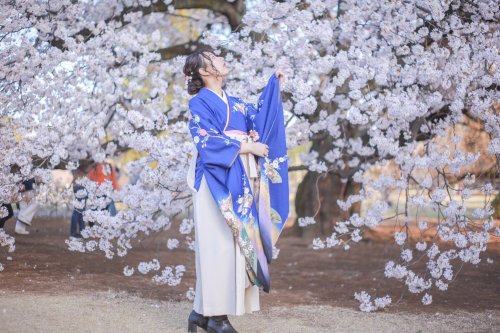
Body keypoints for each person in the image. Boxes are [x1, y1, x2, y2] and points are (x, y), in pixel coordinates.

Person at [183, 47, 289, 333]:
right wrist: (247, 147)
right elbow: (206, 141)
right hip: (215, 177)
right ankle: (216, 317)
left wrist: (273, 88)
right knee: (217, 245)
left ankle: (201, 314)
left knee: (234, 245)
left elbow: (260, 120)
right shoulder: (199, 104)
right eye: (213, 57)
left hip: (240, 174)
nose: (221, 58)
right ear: (205, 71)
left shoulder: (236, 102)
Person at [70, 168, 88, 239]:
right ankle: (74, 233)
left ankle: (82, 232)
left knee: (81, 212)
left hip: (79, 186)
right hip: (80, 186)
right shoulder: (80, 162)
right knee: (77, 211)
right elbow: (83, 171)